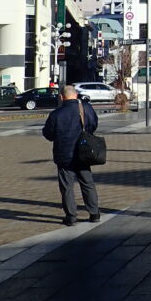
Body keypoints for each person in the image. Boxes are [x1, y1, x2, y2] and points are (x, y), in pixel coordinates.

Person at [42, 85, 101, 226]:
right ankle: (94, 213)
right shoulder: (86, 108)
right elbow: (93, 125)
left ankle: (71, 216)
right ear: (76, 95)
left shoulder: (56, 114)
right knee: (87, 183)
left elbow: (48, 134)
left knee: (67, 187)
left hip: (64, 155)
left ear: (61, 97)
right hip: (84, 153)